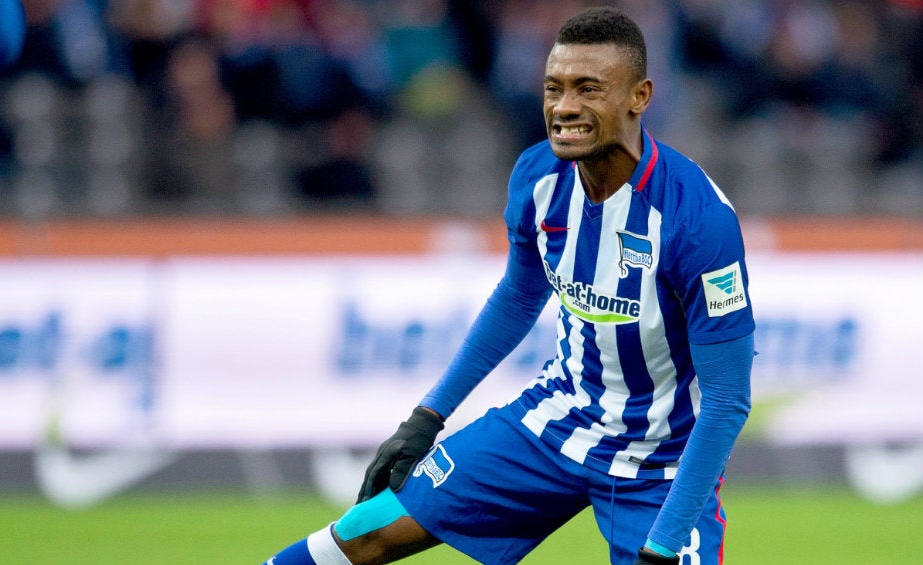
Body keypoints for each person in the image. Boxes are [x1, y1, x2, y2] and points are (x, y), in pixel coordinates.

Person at [262, 6, 754, 565]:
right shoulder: (538, 178)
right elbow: (519, 297)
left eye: (588, 89)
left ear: (638, 97)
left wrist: (663, 545)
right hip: (556, 423)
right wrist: (428, 416)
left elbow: (727, 400)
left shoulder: (697, 220)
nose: (564, 107)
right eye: (554, 88)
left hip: (660, 463)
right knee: (364, 531)